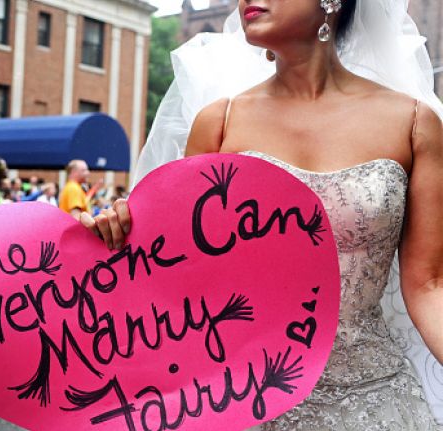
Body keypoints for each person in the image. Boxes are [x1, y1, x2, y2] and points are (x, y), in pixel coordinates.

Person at [83, 0, 443, 429]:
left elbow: (428, 284)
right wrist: (119, 239)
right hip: (243, 401)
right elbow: (181, 280)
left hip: (375, 400)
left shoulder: (414, 122)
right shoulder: (218, 123)